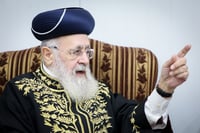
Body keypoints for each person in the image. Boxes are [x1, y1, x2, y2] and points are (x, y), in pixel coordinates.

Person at [0, 7, 191, 133]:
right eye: (76, 52)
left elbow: (135, 120)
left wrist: (164, 88)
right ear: (48, 54)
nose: (85, 60)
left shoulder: (99, 90)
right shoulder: (20, 92)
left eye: (87, 52)